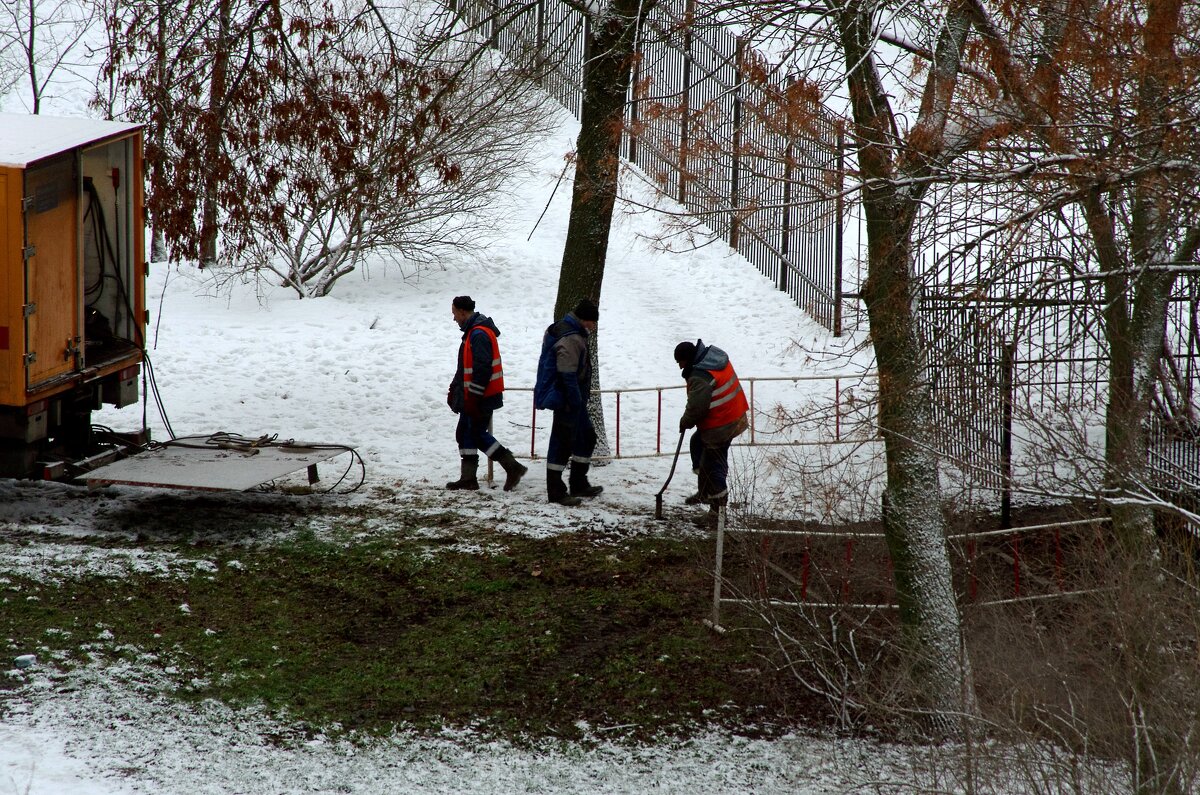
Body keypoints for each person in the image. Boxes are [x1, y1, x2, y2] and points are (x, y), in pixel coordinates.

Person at [445, 295, 527, 491]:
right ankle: (468, 478)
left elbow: (482, 369)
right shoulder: (474, 332)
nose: (454, 318)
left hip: (480, 397)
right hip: (475, 395)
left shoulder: (478, 334)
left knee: (476, 434)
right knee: (465, 433)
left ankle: (512, 467)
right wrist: (455, 388)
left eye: (455, 313)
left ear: (463, 312)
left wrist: (473, 397)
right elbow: (466, 367)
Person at [674, 339, 749, 511]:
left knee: (713, 465)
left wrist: (685, 422)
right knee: (697, 444)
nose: (680, 367)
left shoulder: (700, 376)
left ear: (687, 358)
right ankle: (705, 492)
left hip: (722, 425)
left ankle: (718, 511)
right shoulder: (711, 359)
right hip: (733, 415)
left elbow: (696, 408)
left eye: (680, 362)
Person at [543, 298, 603, 506]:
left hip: (573, 400)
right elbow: (567, 374)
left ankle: (578, 482)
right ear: (585, 320)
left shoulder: (572, 332)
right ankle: (556, 491)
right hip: (567, 401)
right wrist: (575, 401)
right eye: (593, 323)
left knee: (586, 437)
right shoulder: (571, 338)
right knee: (561, 443)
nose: (594, 327)